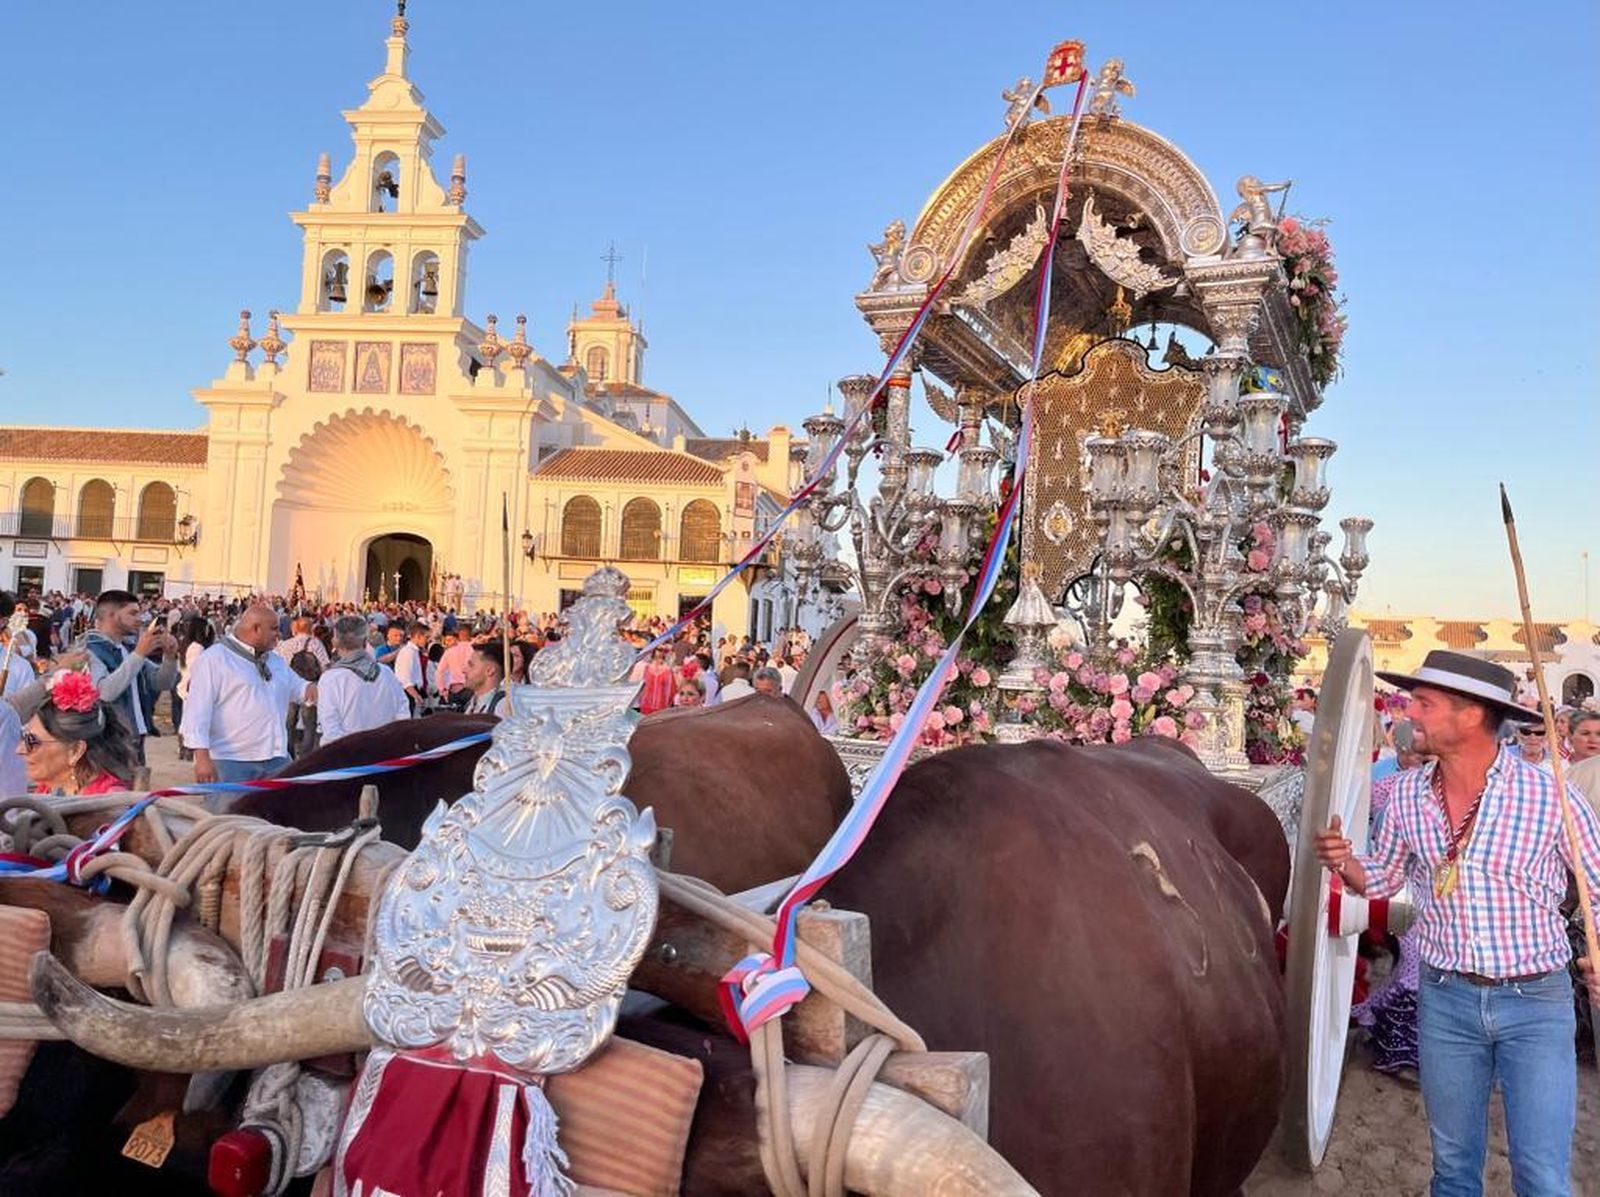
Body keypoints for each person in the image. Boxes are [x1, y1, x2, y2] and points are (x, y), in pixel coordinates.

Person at [1315, 650, 1600, 1194]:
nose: (1410, 713)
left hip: (1536, 1005)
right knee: (1451, 1169)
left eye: (1424, 703)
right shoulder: (1406, 794)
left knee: (1541, 1177)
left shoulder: (1550, 796)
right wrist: (1345, 862)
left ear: (1470, 714)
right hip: (1445, 1000)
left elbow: (1598, 886)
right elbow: (1383, 878)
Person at [180, 604, 315, 795]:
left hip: (276, 759)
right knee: (231, 814)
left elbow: (300, 688)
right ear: (255, 628)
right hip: (230, 762)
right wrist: (202, 759)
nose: (279, 634)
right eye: (274, 629)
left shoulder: (274, 661)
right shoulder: (214, 659)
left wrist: (330, 686)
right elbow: (197, 712)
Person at [78, 590, 179, 761]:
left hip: (135, 737)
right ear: (111, 616)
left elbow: (161, 682)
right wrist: (139, 654)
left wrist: (170, 656)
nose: (139, 619)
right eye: (132, 613)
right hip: (108, 741)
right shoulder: (89, 650)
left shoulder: (127, 648)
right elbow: (104, 692)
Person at [16, 669, 136, 795]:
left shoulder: (109, 802)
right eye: (23, 736)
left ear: (75, 751)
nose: (19, 749)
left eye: (32, 741)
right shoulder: (48, 789)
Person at [317, 615, 410, 745]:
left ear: (334, 643)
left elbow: (331, 730)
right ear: (366, 642)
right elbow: (403, 713)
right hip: (385, 750)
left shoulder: (330, 679)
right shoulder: (386, 673)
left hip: (350, 753)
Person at [174, 613, 216, 762]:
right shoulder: (197, 648)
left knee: (187, 719)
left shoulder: (187, 645)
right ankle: (187, 749)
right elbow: (195, 669)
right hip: (192, 687)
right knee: (192, 720)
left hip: (187, 685)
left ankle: (184, 749)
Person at [393, 622, 431, 715]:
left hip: (414, 692)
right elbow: (404, 678)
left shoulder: (414, 651)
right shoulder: (408, 652)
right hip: (408, 694)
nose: (427, 641)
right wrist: (416, 695)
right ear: (418, 636)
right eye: (426, 637)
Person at [462, 643, 507, 716]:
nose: (464, 670)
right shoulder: (472, 703)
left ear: (489, 671)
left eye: (471, 665)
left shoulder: (503, 706)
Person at [637, 646, 676, 715]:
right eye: (659, 650)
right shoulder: (646, 668)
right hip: (646, 705)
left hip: (661, 706)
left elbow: (672, 690)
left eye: (663, 650)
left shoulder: (668, 671)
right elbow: (640, 687)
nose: (661, 653)